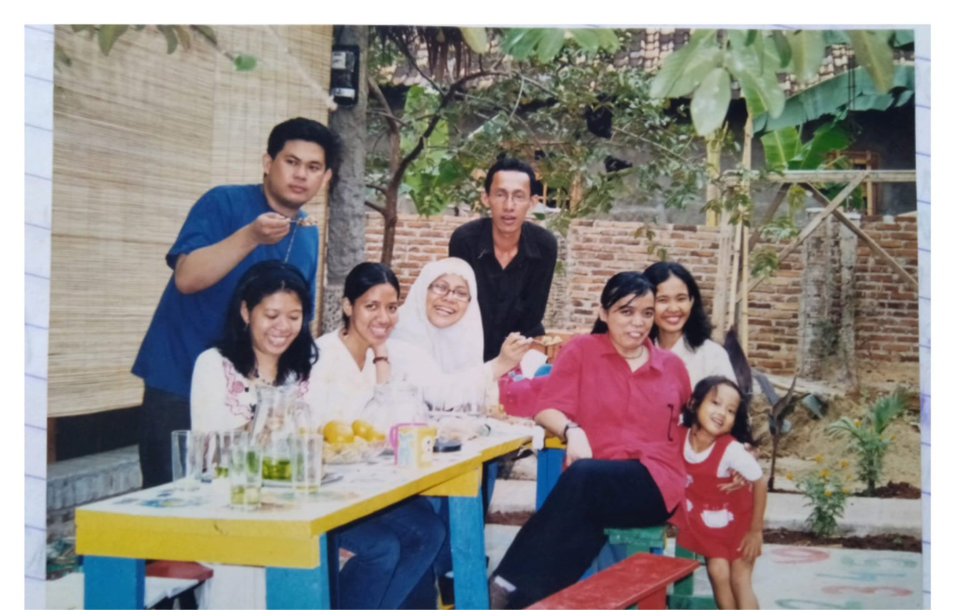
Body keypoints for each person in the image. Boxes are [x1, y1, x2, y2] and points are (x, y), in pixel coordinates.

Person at [133, 117, 341, 488]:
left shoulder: (307, 233)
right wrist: (250, 236)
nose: (301, 175)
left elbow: (295, 321)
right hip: (180, 376)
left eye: (313, 167)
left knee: (244, 496)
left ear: (325, 177)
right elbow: (186, 278)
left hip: (249, 394)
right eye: (291, 162)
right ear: (268, 162)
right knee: (173, 497)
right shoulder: (223, 202)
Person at [488, 272, 692, 609]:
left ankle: (503, 585)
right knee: (581, 523)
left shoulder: (671, 366)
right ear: (603, 312)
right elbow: (547, 408)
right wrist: (573, 430)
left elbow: (694, 422)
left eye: (646, 313)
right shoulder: (583, 351)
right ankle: (525, 602)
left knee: (583, 477)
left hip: (654, 484)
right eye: (626, 311)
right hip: (594, 488)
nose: (638, 322)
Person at [310, 262, 446, 609]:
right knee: (385, 547)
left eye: (391, 307)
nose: (383, 317)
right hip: (326, 489)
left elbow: (391, 427)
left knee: (429, 529)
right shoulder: (322, 356)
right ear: (347, 306)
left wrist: (381, 359)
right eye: (371, 306)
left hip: (368, 486)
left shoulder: (381, 355)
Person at [188, 260, 318, 609]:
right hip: (229, 510)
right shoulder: (214, 365)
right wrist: (259, 425)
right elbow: (206, 455)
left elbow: (313, 443)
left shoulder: (303, 369)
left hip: (294, 508)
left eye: (294, 316)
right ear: (246, 312)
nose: (283, 327)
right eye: (271, 315)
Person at [449, 157, 558, 361]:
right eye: (500, 195)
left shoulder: (544, 245)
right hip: (469, 346)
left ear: (532, 202)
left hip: (521, 347)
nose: (509, 206)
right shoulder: (465, 240)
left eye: (518, 196)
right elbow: (458, 303)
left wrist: (509, 360)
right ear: (486, 198)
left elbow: (533, 313)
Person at [390, 256, 532, 411]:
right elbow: (436, 395)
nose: (449, 298)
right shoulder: (399, 335)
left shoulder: (464, 339)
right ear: (423, 290)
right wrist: (499, 365)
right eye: (440, 287)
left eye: (461, 293)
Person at [677, 376, 767, 610]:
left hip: (740, 521)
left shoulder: (731, 450)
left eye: (730, 410)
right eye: (715, 403)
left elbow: (760, 482)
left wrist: (755, 531)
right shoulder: (679, 436)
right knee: (717, 572)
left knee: (739, 578)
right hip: (710, 524)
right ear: (694, 403)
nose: (721, 413)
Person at [644, 261, 738, 387]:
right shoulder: (638, 352)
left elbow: (726, 398)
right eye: (662, 300)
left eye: (681, 299)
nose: (673, 308)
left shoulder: (712, 355)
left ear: (691, 301)